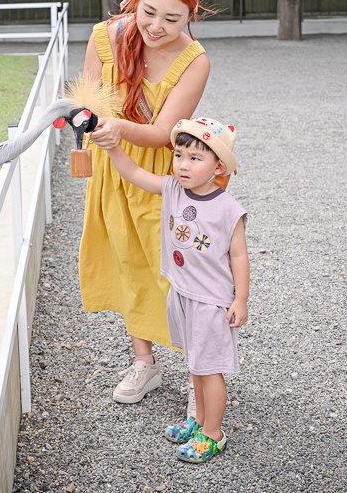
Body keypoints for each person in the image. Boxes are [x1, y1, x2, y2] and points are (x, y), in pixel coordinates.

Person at [78, 0, 210, 409]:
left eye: (172, 20)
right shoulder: (105, 37)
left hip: (160, 176)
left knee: (179, 274)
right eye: (148, 12)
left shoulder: (194, 61)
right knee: (128, 264)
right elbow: (89, 102)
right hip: (111, 170)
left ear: (190, 17)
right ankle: (144, 363)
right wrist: (87, 120)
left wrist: (115, 128)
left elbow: (159, 135)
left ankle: (201, 376)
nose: (156, 27)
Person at [92, 117, 248, 463]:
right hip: (182, 292)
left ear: (217, 166)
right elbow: (134, 173)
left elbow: (239, 255)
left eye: (196, 158)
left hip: (210, 301)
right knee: (195, 364)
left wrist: (240, 299)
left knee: (210, 368)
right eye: (179, 156)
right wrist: (113, 146)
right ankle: (198, 421)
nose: (184, 165)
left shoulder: (228, 209)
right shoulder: (174, 189)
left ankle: (213, 434)